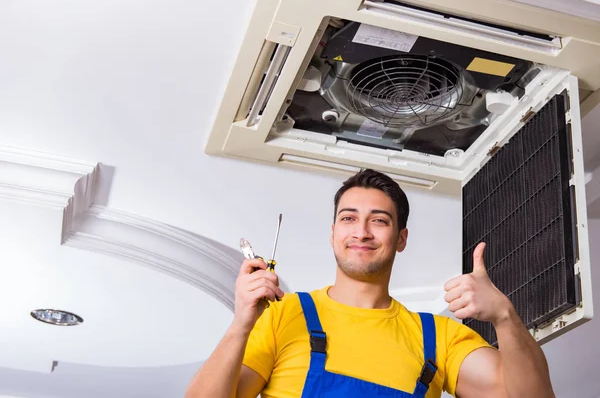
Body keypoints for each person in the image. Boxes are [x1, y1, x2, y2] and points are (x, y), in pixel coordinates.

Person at [185, 168, 555, 398]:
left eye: (378, 220)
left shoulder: (438, 338)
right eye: (349, 218)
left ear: (401, 238)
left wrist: (505, 317)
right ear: (333, 234)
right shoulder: (284, 316)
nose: (361, 231)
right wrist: (240, 326)